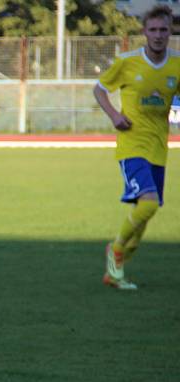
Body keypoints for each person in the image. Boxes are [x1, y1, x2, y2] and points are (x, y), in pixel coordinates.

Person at [93, 4, 180, 290]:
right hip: (131, 146)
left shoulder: (176, 65)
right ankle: (116, 252)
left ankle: (115, 267)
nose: (158, 35)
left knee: (144, 220)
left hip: (158, 149)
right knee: (150, 203)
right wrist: (115, 116)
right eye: (153, 30)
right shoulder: (127, 62)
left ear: (171, 32)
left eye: (163, 30)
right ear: (144, 32)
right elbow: (100, 88)